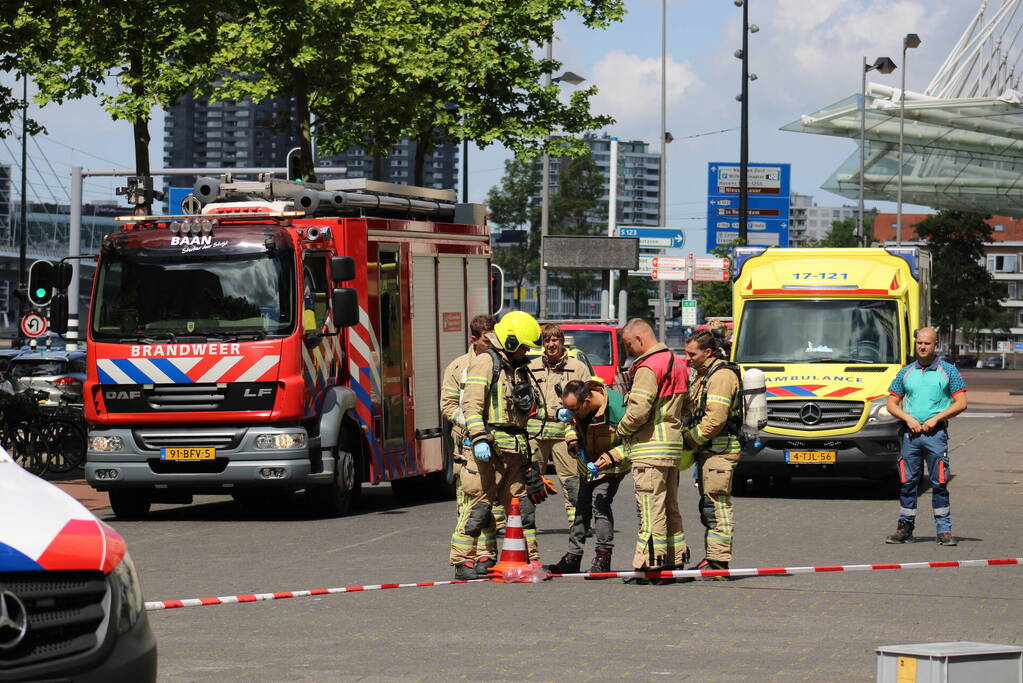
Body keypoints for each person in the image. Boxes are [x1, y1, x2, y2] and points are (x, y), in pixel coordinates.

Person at [594, 318, 689, 585]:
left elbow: (638, 411)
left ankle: (652, 566)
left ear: (639, 339)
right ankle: (675, 560)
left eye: (628, 345)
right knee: (670, 507)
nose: (628, 352)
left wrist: (620, 431)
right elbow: (689, 406)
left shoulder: (649, 367)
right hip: (672, 448)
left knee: (650, 510)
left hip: (649, 448)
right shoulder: (677, 363)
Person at [460, 311, 551, 564]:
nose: (526, 353)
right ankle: (465, 561)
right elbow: (472, 405)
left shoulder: (516, 367)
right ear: (511, 342)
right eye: (523, 347)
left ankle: (528, 559)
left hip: (516, 449)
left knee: (522, 508)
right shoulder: (486, 363)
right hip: (490, 447)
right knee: (480, 506)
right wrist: (478, 438)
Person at [885, 327, 967, 546]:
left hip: (935, 436)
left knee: (939, 482)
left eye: (927, 343)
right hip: (911, 437)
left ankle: (944, 531)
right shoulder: (905, 372)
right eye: (919, 343)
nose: (922, 347)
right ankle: (905, 529)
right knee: (907, 483)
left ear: (936, 344)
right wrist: (908, 419)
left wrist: (936, 418)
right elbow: (891, 403)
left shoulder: (948, 371)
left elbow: (961, 402)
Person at [544, 379, 629, 575]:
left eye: (574, 409)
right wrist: (573, 441)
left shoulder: (617, 410)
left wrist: (610, 457)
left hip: (611, 467)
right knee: (580, 510)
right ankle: (573, 557)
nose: (571, 414)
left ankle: (603, 556)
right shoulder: (575, 409)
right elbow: (570, 424)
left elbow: (633, 443)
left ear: (587, 401)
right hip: (587, 467)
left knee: (599, 505)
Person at [441, 314, 502, 579]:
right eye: (486, 339)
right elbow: (448, 406)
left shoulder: (501, 363)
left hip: (495, 443)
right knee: (470, 501)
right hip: (467, 444)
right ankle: (463, 561)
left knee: (492, 504)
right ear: (474, 339)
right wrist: (470, 420)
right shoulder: (458, 367)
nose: (491, 344)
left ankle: (485, 556)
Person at [682, 329, 742, 575]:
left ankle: (718, 561)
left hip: (720, 452)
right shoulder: (704, 374)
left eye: (692, 354)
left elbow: (715, 419)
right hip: (709, 453)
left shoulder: (721, 377)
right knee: (709, 506)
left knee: (717, 506)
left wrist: (690, 440)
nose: (688, 358)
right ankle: (713, 557)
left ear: (708, 352)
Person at [528, 324, 592, 528]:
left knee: (571, 480)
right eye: (547, 340)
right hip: (536, 434)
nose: (551, 344)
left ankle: (578, 523)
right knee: (530, 480)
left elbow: (589, 398)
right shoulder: (531, 367)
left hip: (566, 434)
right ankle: (525, 523)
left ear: (562, 341)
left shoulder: (577, 368)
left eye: (555, 340)